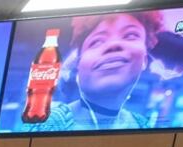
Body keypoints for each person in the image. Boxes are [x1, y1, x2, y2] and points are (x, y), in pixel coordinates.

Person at [30, 11, 163, 132]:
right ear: (78, 65)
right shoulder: (50, 123)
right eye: (97, 41)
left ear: (145, 60)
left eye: (130, 35)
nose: (113, 45)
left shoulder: (142, 125)